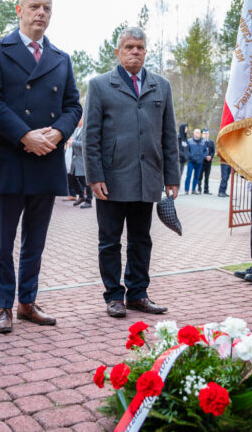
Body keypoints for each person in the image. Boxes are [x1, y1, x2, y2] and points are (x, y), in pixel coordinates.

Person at [0, 0, 82, 333]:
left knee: (35, 241)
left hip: (47, 160)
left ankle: (27, 302)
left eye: (47, 8)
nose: (41, 13)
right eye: (34, 7)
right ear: (19, 9)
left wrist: (57, 133)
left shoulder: (61, 57)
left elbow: (73, 106)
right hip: (11, 157)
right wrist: (26, 135)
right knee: (2, 242)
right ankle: (3, 306)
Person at [84, 26, 180, 318]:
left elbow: (168, 135)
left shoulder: (161, 86)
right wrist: (94, 176)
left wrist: (172, 177)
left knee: (141, 239)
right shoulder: (100, 85)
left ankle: (138, 293)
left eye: (139, 47)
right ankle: (114, 296)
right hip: (111, 180)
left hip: (146, 177)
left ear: (145, 51)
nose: (134, 52)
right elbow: (91, 136)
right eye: (129, 47)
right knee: (110, 241)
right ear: (118, 51)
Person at [69, 118, 92, 208]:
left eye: (79, 118)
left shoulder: (86, 129)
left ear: (83, 119)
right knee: (71, 178)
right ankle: (82, 196)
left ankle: (89, 201)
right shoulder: (77, 130)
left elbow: (86, 144)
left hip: (82, 160)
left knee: (86, 181)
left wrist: (73, 142)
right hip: (75, 160)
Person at [184, 128, 205, 194]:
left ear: (200, 134)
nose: (197, 134)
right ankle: (186, 190)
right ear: (193, 133)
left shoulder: (203, 142)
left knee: (197, 176)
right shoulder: (189, 141)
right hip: (191, 162)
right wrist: (191, 157)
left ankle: (193, 190)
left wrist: (203, 157)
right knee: (188, 176)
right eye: (196, 132)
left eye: (198, 133)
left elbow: (205, 151)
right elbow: (187, 151)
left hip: (199, 163)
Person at [197, 129, 215, 194]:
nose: (206, 134)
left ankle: (206, 190)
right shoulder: (200, 142)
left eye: (207, 133)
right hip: (202, 162)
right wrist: (205, 157)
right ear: (202, 134)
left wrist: (211, 156)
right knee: (200, 176)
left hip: (209, 162)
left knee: (207, 176)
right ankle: (199, 189)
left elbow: (213, 151)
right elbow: (199, 151)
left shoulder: (211, 142)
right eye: (204, 133)